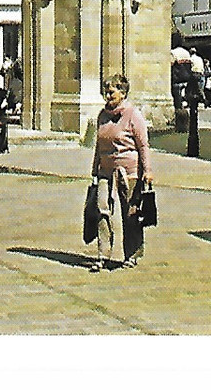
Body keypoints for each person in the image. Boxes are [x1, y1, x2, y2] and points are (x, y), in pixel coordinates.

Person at [90, 73, 152, 272]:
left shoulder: (133, 115)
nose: (107, 96)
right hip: (105, 170)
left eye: (111, 92)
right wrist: (95, 167)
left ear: (123, 93)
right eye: (106, 92)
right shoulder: (102, 115)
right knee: (102, 210)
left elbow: (143, 145)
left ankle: (132, 254)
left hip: (129, 171)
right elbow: (98, 144)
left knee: (130, 213)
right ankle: (103, 255)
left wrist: (147, 171)